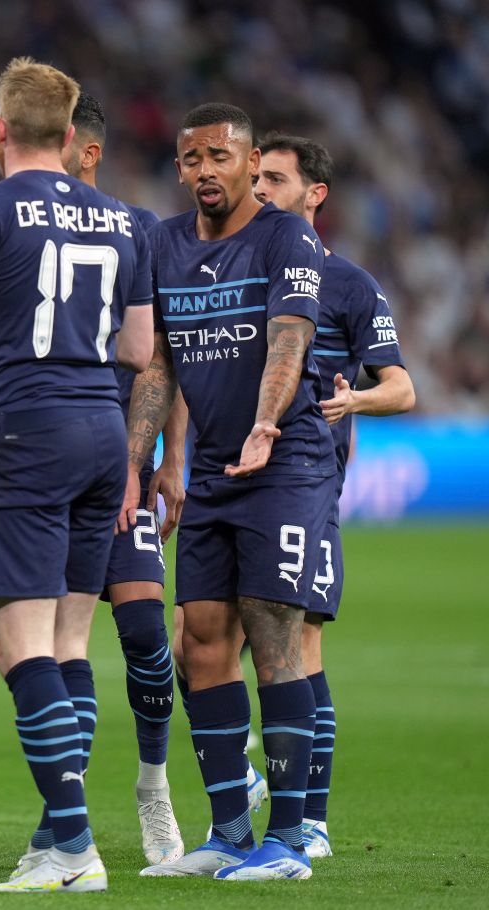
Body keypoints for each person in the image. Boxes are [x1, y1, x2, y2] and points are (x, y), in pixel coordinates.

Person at [0, 58, 154, 893]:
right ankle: (54, 840)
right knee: (69, 642)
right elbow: (138, 350)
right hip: (102, 433)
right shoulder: (123, 219)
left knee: (19, 647)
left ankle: (75, 849)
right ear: (73, 136)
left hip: (26, 436)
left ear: (1, 131)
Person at [0, 90, 187, 869]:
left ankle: (150, 787)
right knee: (63, 643)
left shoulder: (133, 228)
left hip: (110, 460)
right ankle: (63, 827)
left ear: (83, 150)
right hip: (62, 454)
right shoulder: (27, 225)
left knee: (139, 632)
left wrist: (158, 460)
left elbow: (160, 359)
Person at [126, 102, 331, 882]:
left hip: (283, 462)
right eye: (192, 158)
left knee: (273, 637)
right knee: (202, 641)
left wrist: (266, 421)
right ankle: (229, 835)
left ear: (250, 164)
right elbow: (159, 363)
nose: (205, 170)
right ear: (179, 168)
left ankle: (289, 841)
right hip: (213, 468)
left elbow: (289, 335)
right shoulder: (164, 243)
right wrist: (136, 460)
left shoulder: (285, 237)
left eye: (220, 156)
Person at [253, 131, 414, 859]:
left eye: (275, 179)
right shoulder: (236, 268)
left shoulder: (349, 285)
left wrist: (354, 402)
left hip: (307, 484)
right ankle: (240, 785)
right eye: (257, 177)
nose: (261, 190)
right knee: (200, 639)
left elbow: (401, 388)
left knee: (300, 641)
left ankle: (309, 819)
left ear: (314, 194)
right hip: (230, 479)